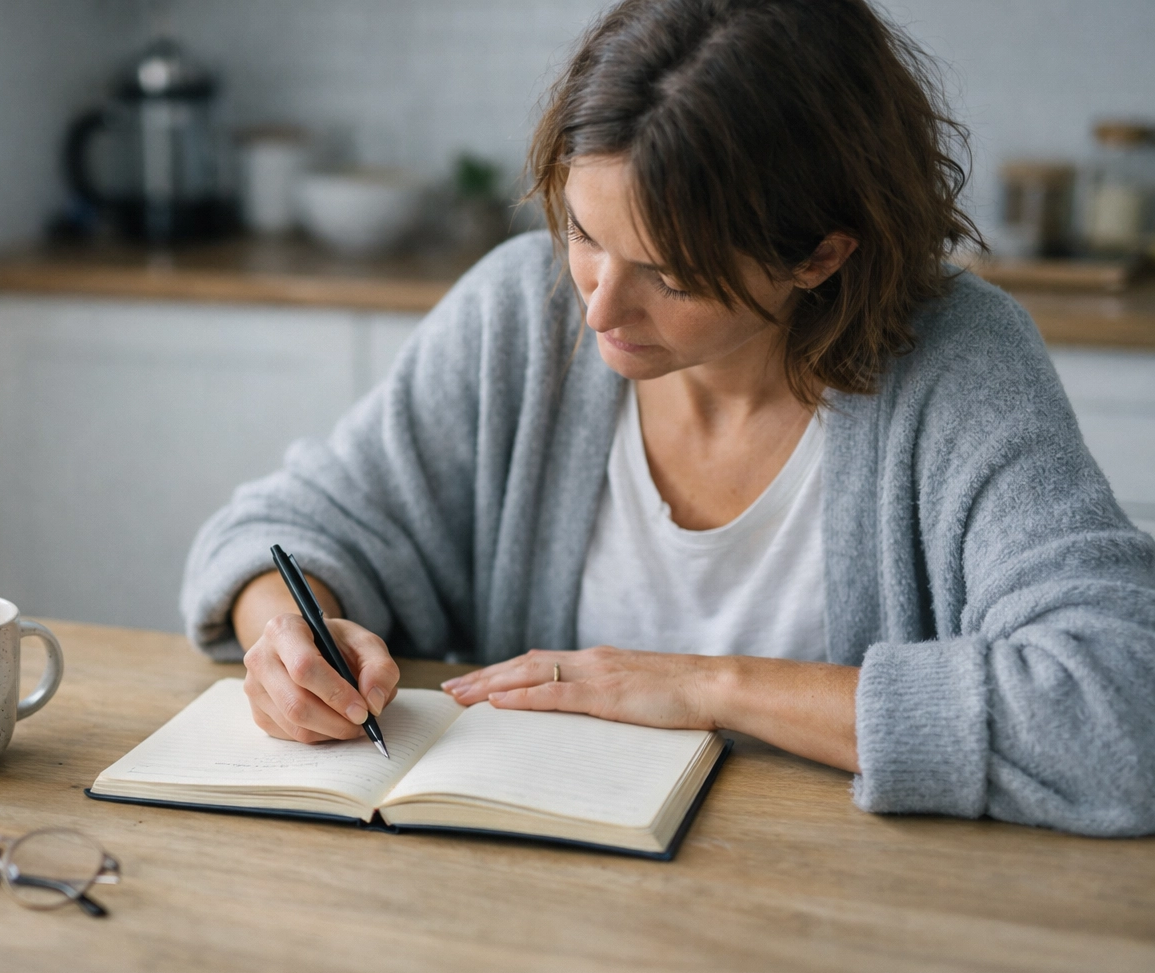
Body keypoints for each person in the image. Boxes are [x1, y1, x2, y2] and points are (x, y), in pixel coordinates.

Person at [180, 0, 1155, 836]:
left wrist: (703, 687)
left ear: (819, 255)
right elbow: (280, 530)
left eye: (671, 275)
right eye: (582, 233)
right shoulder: (522, 312)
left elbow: (1122, 709)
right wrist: (290, 636)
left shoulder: (956, 365)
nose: (600, 306)